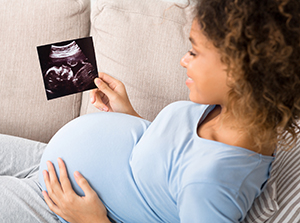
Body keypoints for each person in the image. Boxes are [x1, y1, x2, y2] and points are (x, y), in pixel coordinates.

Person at [0, 0, 299, 222]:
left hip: (58, 207)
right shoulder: (228, 112)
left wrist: (94, 221)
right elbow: (163, 168)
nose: (184, 60)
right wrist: (125, 112)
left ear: (240, 72)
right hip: (52, 162)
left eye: (194, 51)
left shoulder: (211, 182)